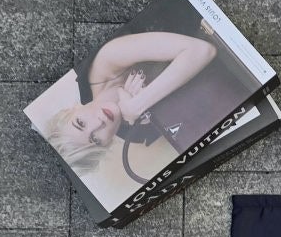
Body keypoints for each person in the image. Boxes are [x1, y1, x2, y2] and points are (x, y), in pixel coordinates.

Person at [46, 31, 216, 176]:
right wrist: (151, 112)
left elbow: (202, 50)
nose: (98, 123)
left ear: (73, 109)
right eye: (96, 140)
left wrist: (139, 103)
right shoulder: (139, 133)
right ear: (108, 144)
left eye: (80, 123)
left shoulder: (104, 62)